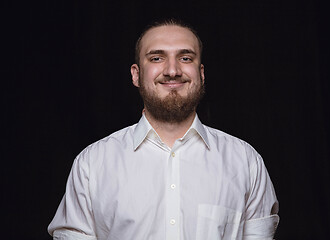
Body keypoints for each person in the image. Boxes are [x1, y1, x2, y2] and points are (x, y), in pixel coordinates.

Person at [48, 19, 279, 240]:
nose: (172, 70)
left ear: (201, 73)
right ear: (136, 75)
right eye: (157, 58)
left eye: (185, 58)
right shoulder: (92, 164)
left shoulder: (245, 162)